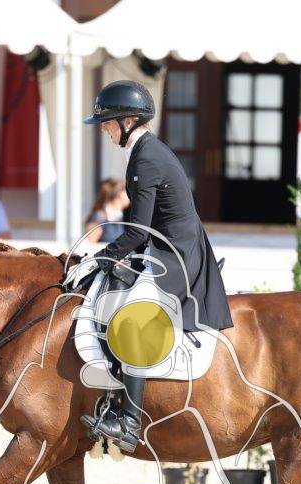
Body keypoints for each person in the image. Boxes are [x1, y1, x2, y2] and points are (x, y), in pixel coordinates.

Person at [79, 80, 232, 451]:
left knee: (133, 315)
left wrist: (101, 257)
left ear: (128, 121)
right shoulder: (143, 151)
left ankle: (129, 422)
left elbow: (138, 230)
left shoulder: (146, 157)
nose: (104, 129)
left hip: (175, 254)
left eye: (107, 122)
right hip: (161, 247)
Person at [84, 178, 129, 244]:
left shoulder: (121, 216)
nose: (129, 196)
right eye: (127, 192)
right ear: (119, 195)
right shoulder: (99, 216)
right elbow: (90, 244)